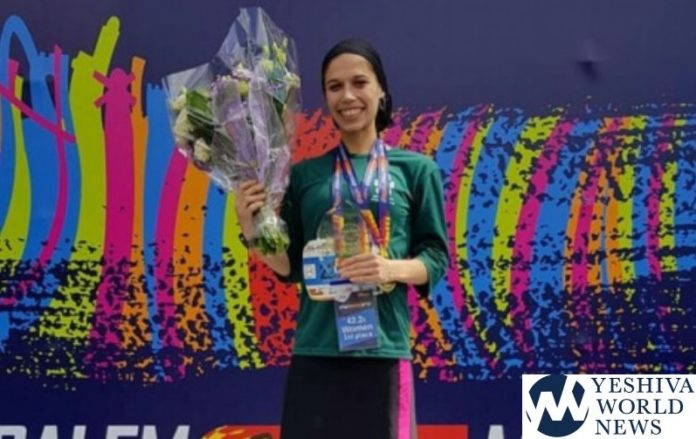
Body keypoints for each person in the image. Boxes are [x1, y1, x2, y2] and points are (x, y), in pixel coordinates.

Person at [234, 38, 449, 439]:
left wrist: (388, 268)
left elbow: (435, 257)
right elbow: (289, 266)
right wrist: (252, 230)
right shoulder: (304, 175)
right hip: (315, 352)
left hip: (383, 351)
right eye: (335, 87)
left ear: (381, 90)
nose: (347, 96)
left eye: (359, 82)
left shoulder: (417, 170)